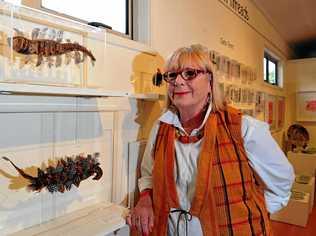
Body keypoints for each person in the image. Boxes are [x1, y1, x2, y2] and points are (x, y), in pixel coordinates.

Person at [126, 44, 294, 236]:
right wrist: (146, 198)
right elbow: (149, 173)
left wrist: (250, 215)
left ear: (210, 82)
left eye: (190, 73)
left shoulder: (244, 128)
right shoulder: (161, 127)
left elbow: (282, 184)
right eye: (172, 75)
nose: (178, 81)